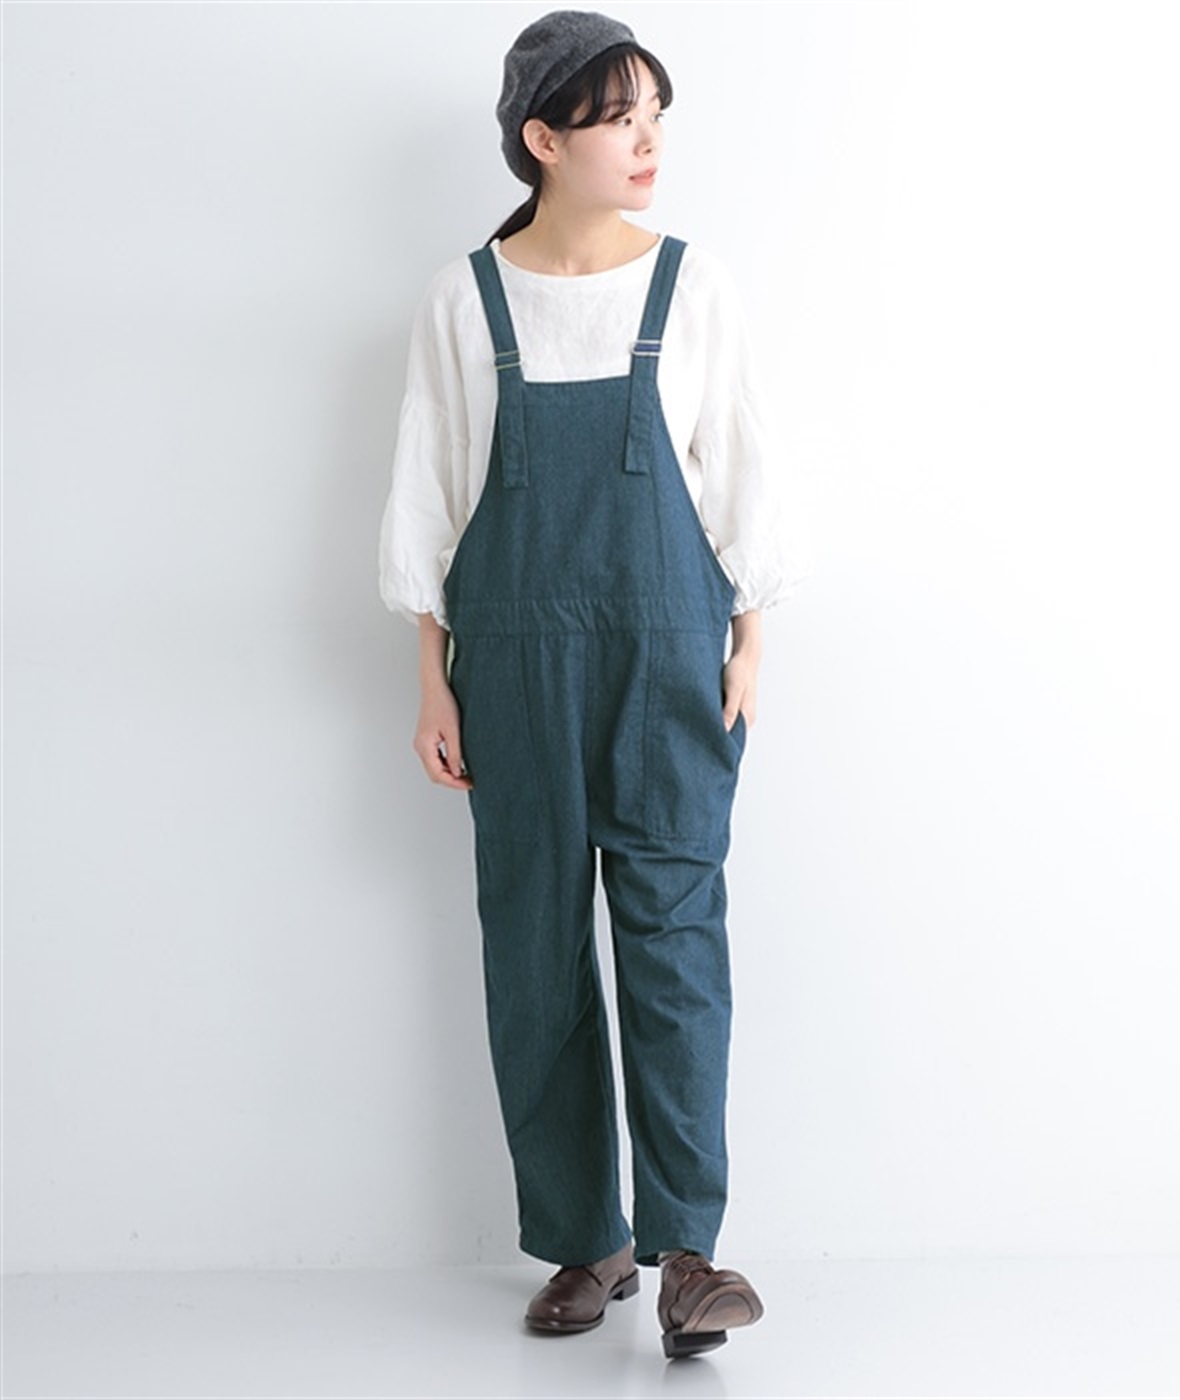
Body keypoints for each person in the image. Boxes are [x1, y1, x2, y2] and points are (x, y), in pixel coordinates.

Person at [379, 9, 798, 1360]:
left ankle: (690, 1256)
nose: (648, 140)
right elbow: (430, 497)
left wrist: (749, 645)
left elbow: (741, 474)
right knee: (535, 952)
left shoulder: (692, 286)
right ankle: (586, 1240)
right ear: (543, 139)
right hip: (507, 664)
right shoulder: (467, 300)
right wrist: (432, 681)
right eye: (619, 117)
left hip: (671, 657)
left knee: (674, 945)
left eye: (655, 114)